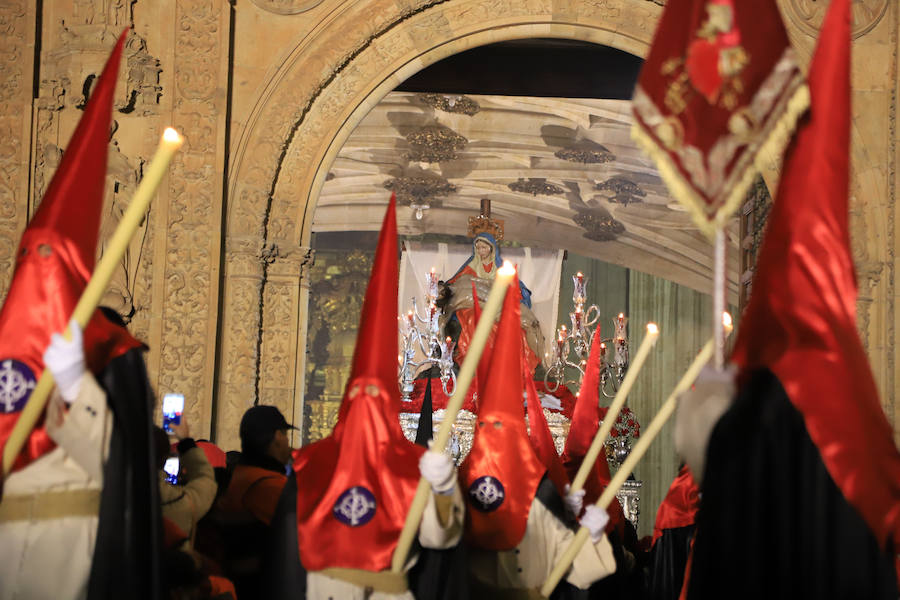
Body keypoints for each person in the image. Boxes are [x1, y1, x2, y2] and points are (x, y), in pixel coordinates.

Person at [459, 277, 616, 597]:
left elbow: (582, 570)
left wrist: (589, 532)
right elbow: (435, 543)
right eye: (489, 427)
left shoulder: (541, 497)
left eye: (503, 428)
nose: (496, 439)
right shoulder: (461, 486)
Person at [214, 405, 293, 597]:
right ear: (277, 437)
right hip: (262, 588)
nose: (288, 442)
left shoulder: (243, 475)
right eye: (285, 434)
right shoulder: (268, 486)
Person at [439, 232, 544, 374]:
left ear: (491, 248)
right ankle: (477, 365)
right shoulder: (471, 266)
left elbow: (515, 287)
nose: (481, 251)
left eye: (484, 248)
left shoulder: (500, 268)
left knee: (510, 325)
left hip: (496, 303)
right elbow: (456, 284)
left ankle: (505, 366)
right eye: (479, 248)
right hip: (474, 304)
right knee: (472, 320)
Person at [155, 416, 217, 550]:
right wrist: (186, 441)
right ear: (165, 458)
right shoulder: (182, 502)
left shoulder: (113, 493)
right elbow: (205, 477)